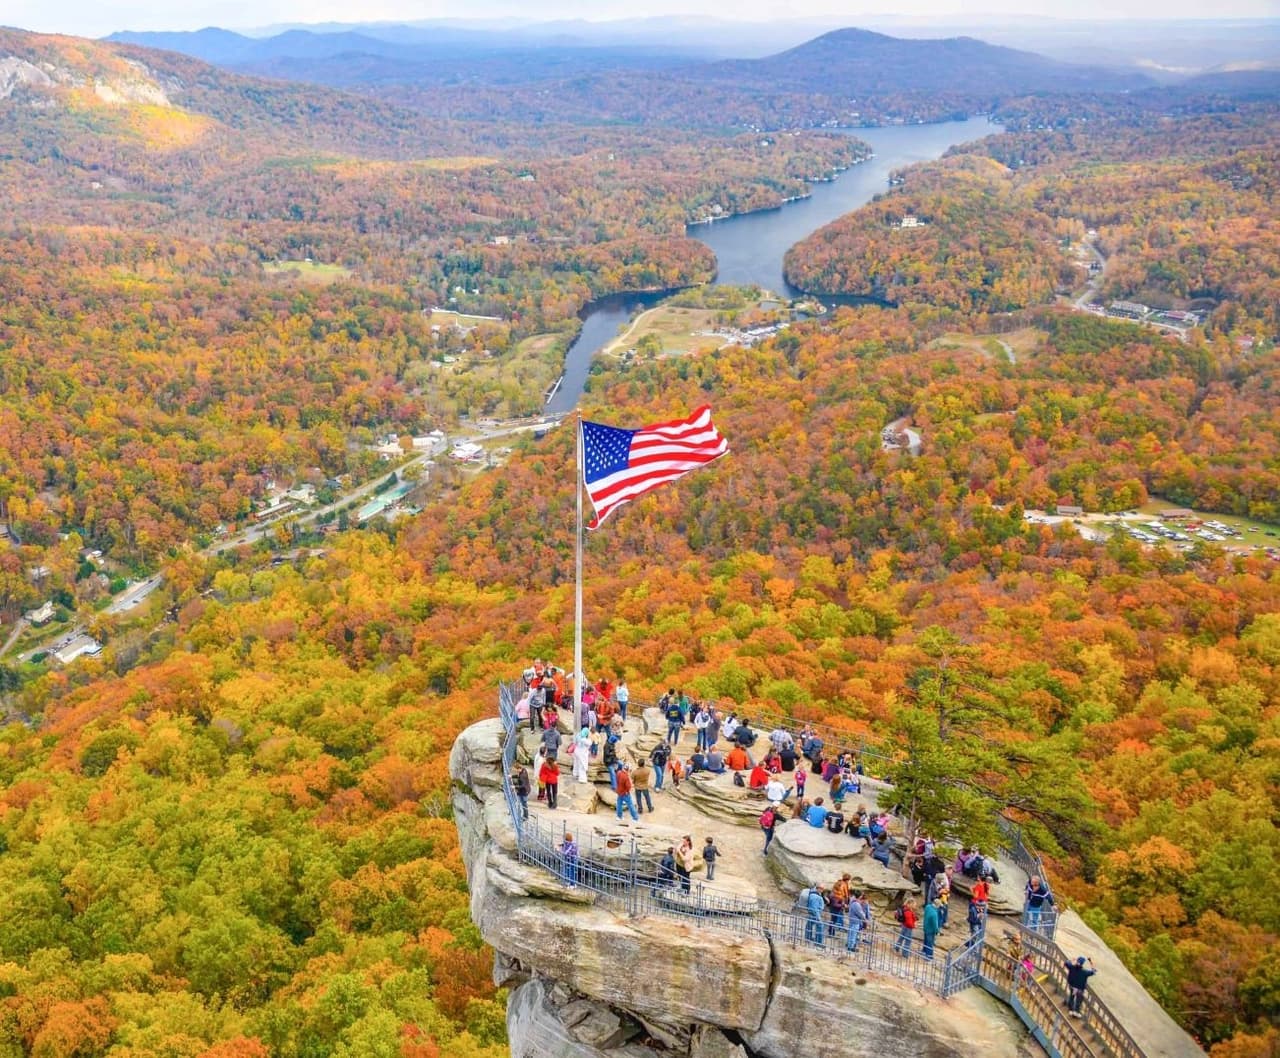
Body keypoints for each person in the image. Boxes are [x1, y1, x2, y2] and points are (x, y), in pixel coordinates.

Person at [830, 873, 851, 939]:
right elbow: (845, 895)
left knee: (834, 918)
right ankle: (834, 932)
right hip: (838, 902)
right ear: (848, 880)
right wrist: (845, 903)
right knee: (836, 918)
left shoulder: (838, 883)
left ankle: (832, 932)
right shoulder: (843, 884)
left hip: (836, 902)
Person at [922, 897, 940, 961]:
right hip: (930, 930)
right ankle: (929, 956)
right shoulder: (934, 914)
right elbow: (935, 925)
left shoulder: (928, 907)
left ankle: (923, 951)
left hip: (925, 926)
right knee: (930, 943)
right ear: (937, 905)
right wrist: (937, 931)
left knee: (925, 940)